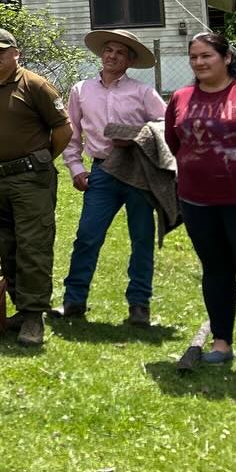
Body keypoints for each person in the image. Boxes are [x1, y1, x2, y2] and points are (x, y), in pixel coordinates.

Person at [163, 33, 236, 377]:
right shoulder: (181, 97)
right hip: (199, 202)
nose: (198, 62)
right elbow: (173, 139)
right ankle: (221, 343)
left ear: (226, 57)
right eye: (193, 56)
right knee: (215, 270)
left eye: (206, 55)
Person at [55, 28, 167, 326]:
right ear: (101, 54)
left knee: (141, 238)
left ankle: (139, 305)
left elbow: (167, 125)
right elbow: (72, 134)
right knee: (87, 236)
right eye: (108, 50)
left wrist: (135, 136)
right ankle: (74, 300)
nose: (112, 56)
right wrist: (76, 168)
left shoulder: (142, 92)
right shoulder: (81, 90)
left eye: (120, 52)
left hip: (138, 171)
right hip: (103, 170)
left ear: (129, 60)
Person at [0, 27, 72, 347]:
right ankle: (20, 306)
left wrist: (40, 161)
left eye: (1, 50)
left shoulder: (36, 85)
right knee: (8, 247)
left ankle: (34, 316)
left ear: (16, 53)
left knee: (33, 247)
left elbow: (63, 129)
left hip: (30, 181)